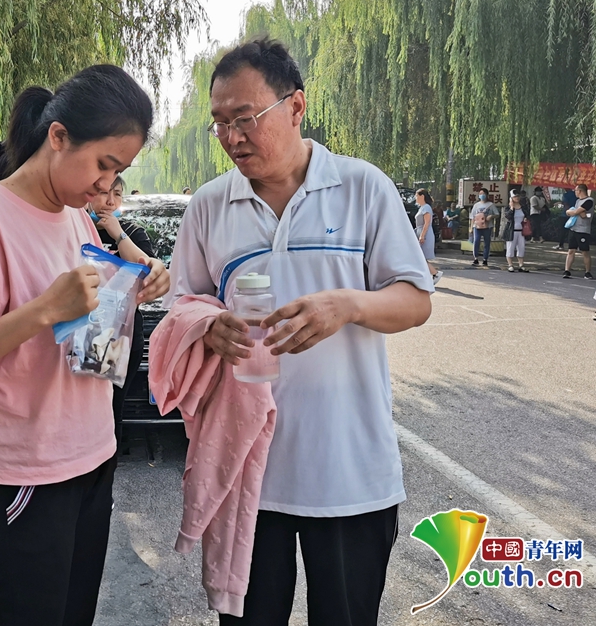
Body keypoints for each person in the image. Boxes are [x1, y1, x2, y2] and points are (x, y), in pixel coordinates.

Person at [165, 39, 432, 625]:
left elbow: (415, 301)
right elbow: (181, 304)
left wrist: (349, 305)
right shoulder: (209, 205)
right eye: (220, 123)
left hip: (350, 471)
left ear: (296, 106)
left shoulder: (362, 187)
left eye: (245, 118)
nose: (232, 137)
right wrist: (207, 327)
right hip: (247, 473)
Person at [0, 65, 169, 626]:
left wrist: (129, 290)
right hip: (26, 470)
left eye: (120, 171)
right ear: (58, 136)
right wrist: (42, 310)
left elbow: (83, 334)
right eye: (103, 164)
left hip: (93, 453)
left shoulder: (77, 218)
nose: (107, 185)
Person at [87, 175, 156, 445]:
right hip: (84, 332)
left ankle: (108, 461)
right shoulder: (79, 228)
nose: (110, 201)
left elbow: (145, 271)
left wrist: (119, 235)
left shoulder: (131, 232)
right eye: (104, 193)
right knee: (82, 409)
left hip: (120, 337)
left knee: (111, 409)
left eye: (116, 194)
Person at [563, 183, 593, 279]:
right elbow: (577, 213)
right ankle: (567, 270)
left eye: (575, 190)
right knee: (571, 250)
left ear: (580, 191)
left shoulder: (589, 201)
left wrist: (572, 212)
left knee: (584, 251)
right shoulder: (577, 201)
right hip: (573, 228)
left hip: (583, 230)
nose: (575, 192)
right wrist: (572, 212)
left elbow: (577, 212)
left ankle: (587, 272)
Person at [414, 189, 442, 285]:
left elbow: (427, 223)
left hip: (424, 234)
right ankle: (428, 276)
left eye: (416, 195)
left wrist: (422, 236)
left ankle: (435, 273)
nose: (415, 198)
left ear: (422, 196)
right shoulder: (422, 207)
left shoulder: (426, 207)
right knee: (419, 258)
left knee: (420, 257)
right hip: (420, 233)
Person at [501, 189, 530, 272]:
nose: (517, 198)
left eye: (518, 196)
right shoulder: (508, 208)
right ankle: (510, 265)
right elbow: (508, 216)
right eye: (515, 196)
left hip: (521, 231)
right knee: (510, 248)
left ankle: (521, 265)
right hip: (512, 231)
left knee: (521, 248)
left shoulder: (523, 207)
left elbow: (527, 215)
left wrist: (526, 219)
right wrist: (511, 207)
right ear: (511, 198)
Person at [470, 188, 498, 266]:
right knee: (476, 241)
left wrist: (491, 216)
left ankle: (485, 259)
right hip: (477, 227)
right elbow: (472, 217)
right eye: (480, 194)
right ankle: (475, 258)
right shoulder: (476, 205)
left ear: (487, 195)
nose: (482, 195)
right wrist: (471, 228)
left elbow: (497, 214)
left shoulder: (491, 205)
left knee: (487, 242)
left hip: (487, 227)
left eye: (483, 193)